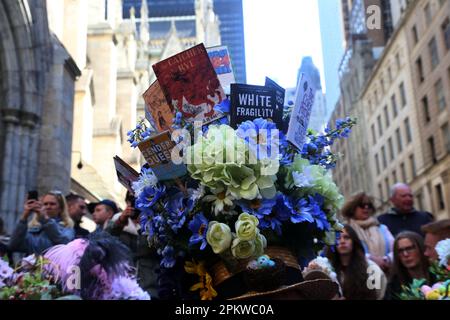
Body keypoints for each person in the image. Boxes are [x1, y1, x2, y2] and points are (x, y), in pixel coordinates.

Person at [105, 191, 160, 299]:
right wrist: (120, 222)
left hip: (150, 283)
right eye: (131, 199)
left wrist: (146, 224)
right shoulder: (117, 220)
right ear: (127, 202)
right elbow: (103, 241)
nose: (135, 204)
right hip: (122, 283)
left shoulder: (153, 219)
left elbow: (157, 247)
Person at [326, 225, 387, 300]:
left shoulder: (372, 268)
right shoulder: (327, 269)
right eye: (338, 238)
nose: (342, 241)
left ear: (354, 241)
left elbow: (379, 295)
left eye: (346, 237)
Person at [8, 191, 75, 255]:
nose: (48, 207)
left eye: (52, 204)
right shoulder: (33, 227)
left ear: (60, 208)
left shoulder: (66, 227)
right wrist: (24, 217)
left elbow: (63, 243)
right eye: (45, 204)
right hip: (31, 266)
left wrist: (46, 220)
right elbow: (13, 246)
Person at [341, 192, 394, 272]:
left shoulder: (382, 228)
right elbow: (346, 253)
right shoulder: (346, 230)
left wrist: (386, 260)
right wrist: (371, 259)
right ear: (352, 209)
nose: (366, 207)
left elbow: (395, 249)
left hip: (386, 274)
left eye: (369, 205)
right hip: (359, 275)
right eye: (362, 205)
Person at [385, 231, 431, 300]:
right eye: (400, 251)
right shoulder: (393, 286)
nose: (405, 254)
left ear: (420, 248)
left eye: (409, 248)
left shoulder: (437, 275)